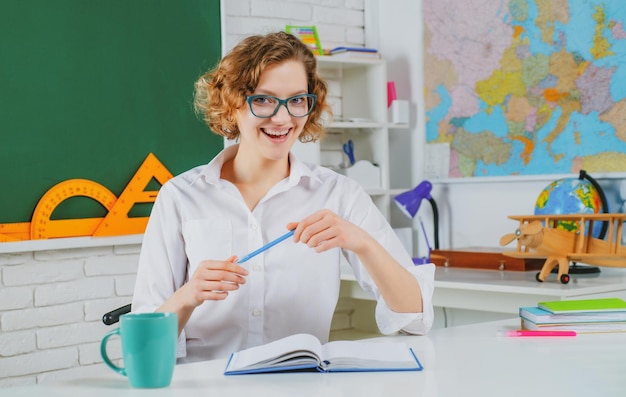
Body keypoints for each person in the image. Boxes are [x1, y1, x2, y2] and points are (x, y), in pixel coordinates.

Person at [132, 31, 435, 363]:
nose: (282, 118)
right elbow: (142, 344)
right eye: (262, 99)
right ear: (232, 105)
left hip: (300, 384)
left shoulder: (339, 194)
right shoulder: (180, 197)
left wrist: (360, 240)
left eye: (296, 100)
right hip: (207, 386)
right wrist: (188, 295)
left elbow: (415, 318)